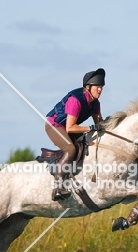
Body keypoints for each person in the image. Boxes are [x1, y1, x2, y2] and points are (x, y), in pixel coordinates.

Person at [45, 68, 105, 201]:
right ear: (88, 87)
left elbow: (99, 123)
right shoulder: (75, 100)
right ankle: (58, 187)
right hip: (54, 126)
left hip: (69, 127)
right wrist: (90, 127)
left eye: (101, 87)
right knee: (71, 149)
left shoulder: (95, 103)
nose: (100, 90)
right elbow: (70, 128)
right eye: (97, 87)